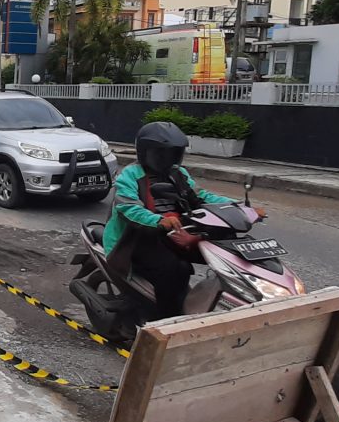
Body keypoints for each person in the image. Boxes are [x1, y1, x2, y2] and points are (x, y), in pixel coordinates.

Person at [103, 121, 250, 319]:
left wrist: (240, 207)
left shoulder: (177, 174)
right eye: (162, 154)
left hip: (172, 233)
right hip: (135, 239)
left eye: (174, 153)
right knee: (175, 269)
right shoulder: (129, 175)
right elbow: (128, 208)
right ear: (145, 152)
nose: (168, 159)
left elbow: (201, 197)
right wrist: (158, 220)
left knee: (224, 253)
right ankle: (167, 320)